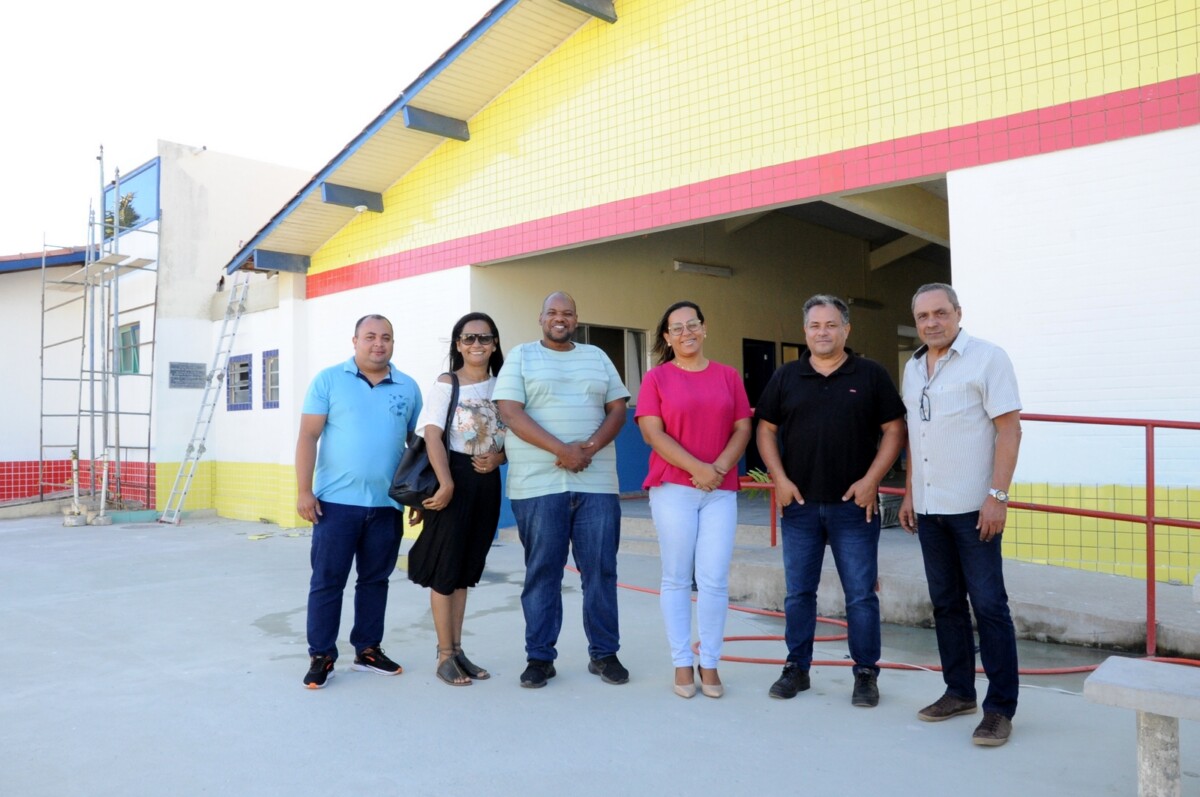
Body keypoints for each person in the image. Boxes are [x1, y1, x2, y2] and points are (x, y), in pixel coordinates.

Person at [755, 294, 906, 707]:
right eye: (815, 326)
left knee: (860, 594)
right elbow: (765, 429)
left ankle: (865, 673)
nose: (823, 332)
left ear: (846, 329)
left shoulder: (870, 374)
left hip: (853, 507)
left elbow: (894, 428)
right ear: (805, 331)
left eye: (831, 325)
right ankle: (797, 668)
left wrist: (872, 480)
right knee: (798, 593)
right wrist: (779, 479)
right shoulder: (786, 377)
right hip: (799, 505)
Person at [898, 282, 1023, 747]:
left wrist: (998, 495)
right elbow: (917, 435)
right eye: (923, 316)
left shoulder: (989, 359)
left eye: (940, 313)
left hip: (975, 509)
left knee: (990, 607)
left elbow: (1010, 431)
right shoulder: (913, 369)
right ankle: (959, 692)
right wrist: (910, 494)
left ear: (957, 313)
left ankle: (999, 709)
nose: (932, 322)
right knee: (946, 604)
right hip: (930, 509)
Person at [494, 291, 631, 689]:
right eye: (552, 312)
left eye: (567, 313)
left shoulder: (597, 357)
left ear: (576, 319)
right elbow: (509, 411)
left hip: (597, 484)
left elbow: (618, 408)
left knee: (601, 571)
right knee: (543, 572)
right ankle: (539, 658)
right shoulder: (521, 356)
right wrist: (562, 451)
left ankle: (604, 654)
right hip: (538, 485)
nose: (560, 318)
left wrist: (586, 450)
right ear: (540, 318)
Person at [295, 314, 422, 689]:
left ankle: (368, 649)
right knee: (327, 581)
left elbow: (416, 446)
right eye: (370, 337)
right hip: (335, 505)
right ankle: (321, 655)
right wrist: (304, 491)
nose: (378, 344)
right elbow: (307, 436)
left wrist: (415, 496)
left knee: (375, 580)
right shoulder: (329, 380)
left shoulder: (408, 387)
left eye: (386, 337)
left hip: (386, 506)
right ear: (355, 341)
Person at [636, 301, 752, 699]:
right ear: (667, 338)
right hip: (674, 490)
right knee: (676, 577)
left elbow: (742, 427)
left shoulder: (728, 376)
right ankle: (682, 663)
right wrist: (698, 470)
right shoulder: (656, 378)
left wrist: (717, 467)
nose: (686, 332)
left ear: (704, 329)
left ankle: (711, 664)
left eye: (693, 325)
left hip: (720, 491)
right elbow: (654, 433)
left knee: (714, 579)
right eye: (676, 328)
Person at [407, 313, 507, 686]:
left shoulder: (503, 385)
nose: (477, 345)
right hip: (454, 477)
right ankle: (443, 654)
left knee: (466, 569)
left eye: (484, 338)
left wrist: (499, 457)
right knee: (445, 568)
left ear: (495, 344)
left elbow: (514, 435)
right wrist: (446, 484)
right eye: (469, 338)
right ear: (458, 345)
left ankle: (458, 648)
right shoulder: (447, 383)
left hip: (488, 482)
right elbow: (432, 436)